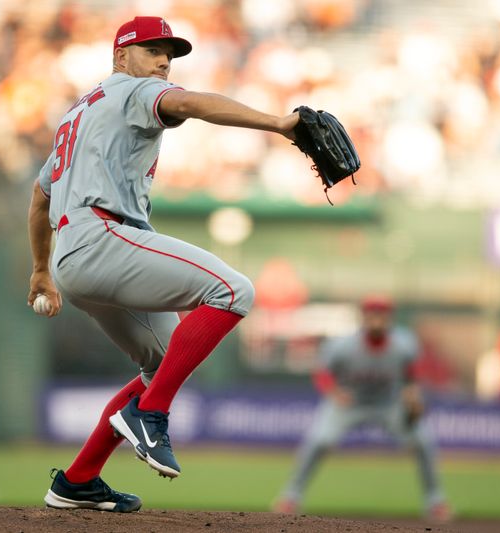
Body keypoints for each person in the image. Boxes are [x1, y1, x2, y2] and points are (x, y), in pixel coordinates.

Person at [26, 16, 300, 512]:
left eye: (168, 54)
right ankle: (149, 415)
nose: (162, 62)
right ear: (119, 57)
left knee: (166, 361)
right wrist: (278, 124)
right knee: (233, 291)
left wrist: (42, 268)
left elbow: (40, 197)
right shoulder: (132, 91)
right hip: (102, 236)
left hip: (74, 256)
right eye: (151, 49)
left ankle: (78, 480)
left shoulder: (77, 113)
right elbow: (190, 103)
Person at [272, 296, 452, 522]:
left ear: (390, 318)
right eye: (371, 314)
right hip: (350, 403)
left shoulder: (405, 343)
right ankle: (290, 497)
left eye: (381, 314)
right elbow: (322, 372)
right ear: (363, 317)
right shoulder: (343, 345)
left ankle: (436, 502)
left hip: (390, 404)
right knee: (319, 441)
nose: (376, 319)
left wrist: (413, 393)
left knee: (423, 442)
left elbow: (412, 374)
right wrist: (335, 392)